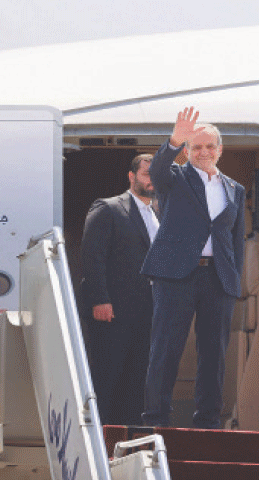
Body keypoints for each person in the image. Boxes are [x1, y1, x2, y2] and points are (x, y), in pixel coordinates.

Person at [141, 107, 245, 429]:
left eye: (209, 146)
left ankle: (208, 422)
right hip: (176, 277)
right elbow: (157, 169)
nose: (203, 152)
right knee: (166, 350)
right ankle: (157, 419)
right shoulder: (174, 179)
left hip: (217, 278)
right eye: (196, 147)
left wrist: (233, 279)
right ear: (187, 151)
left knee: (214, 355)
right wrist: (174, 140)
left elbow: (235, 241)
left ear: (220, 150)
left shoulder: (234, 189)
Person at [81, 154, 159, 426]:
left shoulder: (160, 215)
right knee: (107, 381)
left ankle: (128, 441)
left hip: (148, 315)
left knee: (137, 385)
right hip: (113, 313)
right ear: (132, 176)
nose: (152, 180)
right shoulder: (108, 208)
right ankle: (98, 440)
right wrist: (99, 299)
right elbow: (92, 257)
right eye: (147, 174)